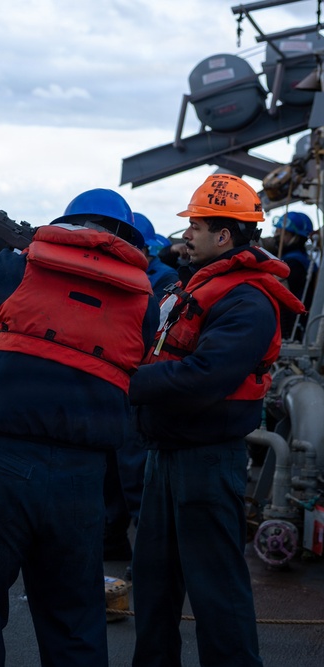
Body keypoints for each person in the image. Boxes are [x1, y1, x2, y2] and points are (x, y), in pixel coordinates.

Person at [0, 179, 158, 666]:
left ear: (68, 225)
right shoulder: (144, 303)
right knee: (74, 624)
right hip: (80, 481)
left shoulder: (24, 268)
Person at [129, 174, 305, 667]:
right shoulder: (198, 285)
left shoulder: (247, 300)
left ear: (223, 236)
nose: (186, 234)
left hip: (206, 460)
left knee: (216, 590)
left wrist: (129, 382)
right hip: (167, 454)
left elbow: (205, 378)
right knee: (154, 583)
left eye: (196, 227)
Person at [103, 211, 178, 565]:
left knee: (133, 474)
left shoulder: (164, 281)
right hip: (121, 385)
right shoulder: (148, 276)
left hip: (139, 386)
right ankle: (112, 539)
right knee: (112, 469)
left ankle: (148, 559)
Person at [263, 211, 316, 339]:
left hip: (293, 330)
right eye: (276, 231)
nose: (276, 236)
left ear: (295, 237)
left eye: (282, 233)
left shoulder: (294, 264)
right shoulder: (302, 260)